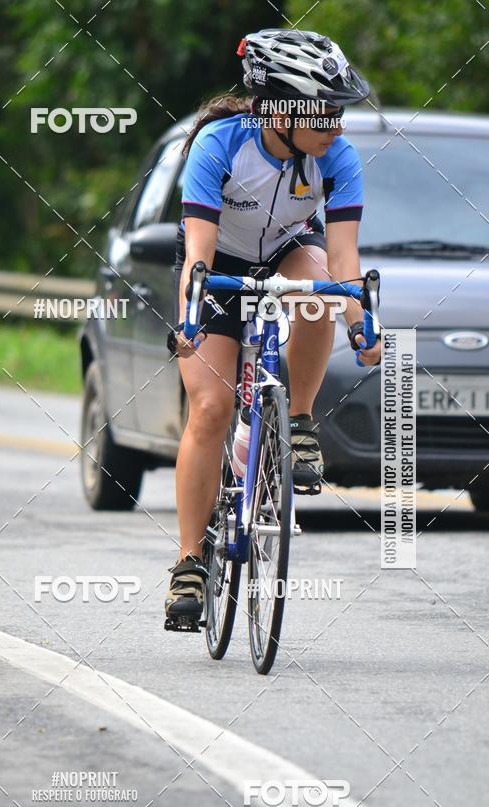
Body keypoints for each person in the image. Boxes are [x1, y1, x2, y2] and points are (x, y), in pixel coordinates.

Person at [164, 29, 381, 630]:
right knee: (210, 409)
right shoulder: (219, 145)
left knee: (319, 290)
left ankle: (302, 420)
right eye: (326, 110)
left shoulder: (335, 155)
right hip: (217, 267)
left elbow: (343, 261)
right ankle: (188, 560)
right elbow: (199, 256)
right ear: (281, 109)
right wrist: (189, 320)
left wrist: (363, 328)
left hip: (288, 252)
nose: (338, 124)